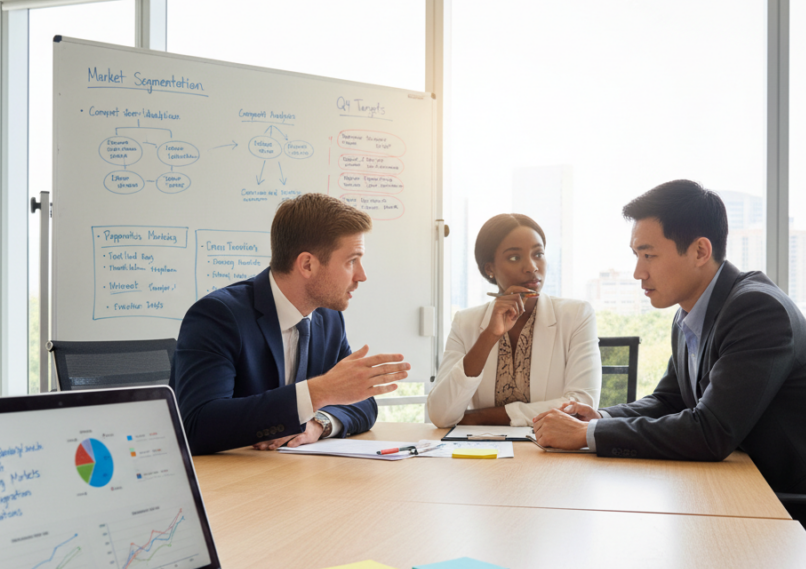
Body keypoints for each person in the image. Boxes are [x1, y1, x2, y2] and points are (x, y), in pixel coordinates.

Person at [532, 179, 806, 569]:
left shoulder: (757, 309)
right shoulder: (692, 313)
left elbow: (711, 431)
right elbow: (669, 399)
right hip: (760, 504)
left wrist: (587, 436)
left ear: (700, 251)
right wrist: (602, 418)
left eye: (649, 255)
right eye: (636, 255)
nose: (638, 272)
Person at [171, 193, 410, 454]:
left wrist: (319, 423)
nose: (362, 275)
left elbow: (362, 403)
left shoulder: (328, 318)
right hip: (228, 484)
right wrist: (318, 392)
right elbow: (196, 425)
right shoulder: (218, 316)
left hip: (292, 477)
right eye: (351, 261)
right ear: (307, 264)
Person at [427, 213, 601, 428]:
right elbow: (441, 415)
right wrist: (489, 336)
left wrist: (477, 417)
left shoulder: (576, 315)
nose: (531, 267)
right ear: (489, 268)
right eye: (514, 257)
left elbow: (581, 406)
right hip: (484, 455)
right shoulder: (466, 322)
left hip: (551, 452)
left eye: (538, 254)